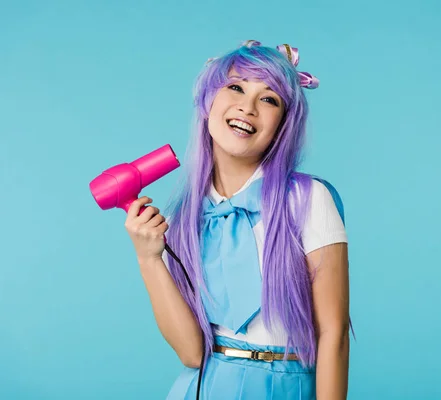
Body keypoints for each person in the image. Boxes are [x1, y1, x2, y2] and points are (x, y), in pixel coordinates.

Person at [124, 40, 350, 399]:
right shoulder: (181, 220)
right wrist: (148, 258)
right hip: (204, 387)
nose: (247, 106)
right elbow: (192, 352)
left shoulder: (308, 200)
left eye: (269, 98)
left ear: (283, 124)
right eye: (235, 87)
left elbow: (333, 332)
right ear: (207, 102)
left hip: (287, 385)